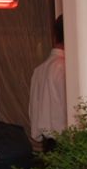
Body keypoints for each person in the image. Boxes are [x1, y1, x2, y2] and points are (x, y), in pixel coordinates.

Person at [28, 14, 65, 152]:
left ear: (54, 37)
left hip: (48, 145)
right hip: (65, 144)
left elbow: (33, 112)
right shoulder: (65, 69)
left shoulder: (39, 70)